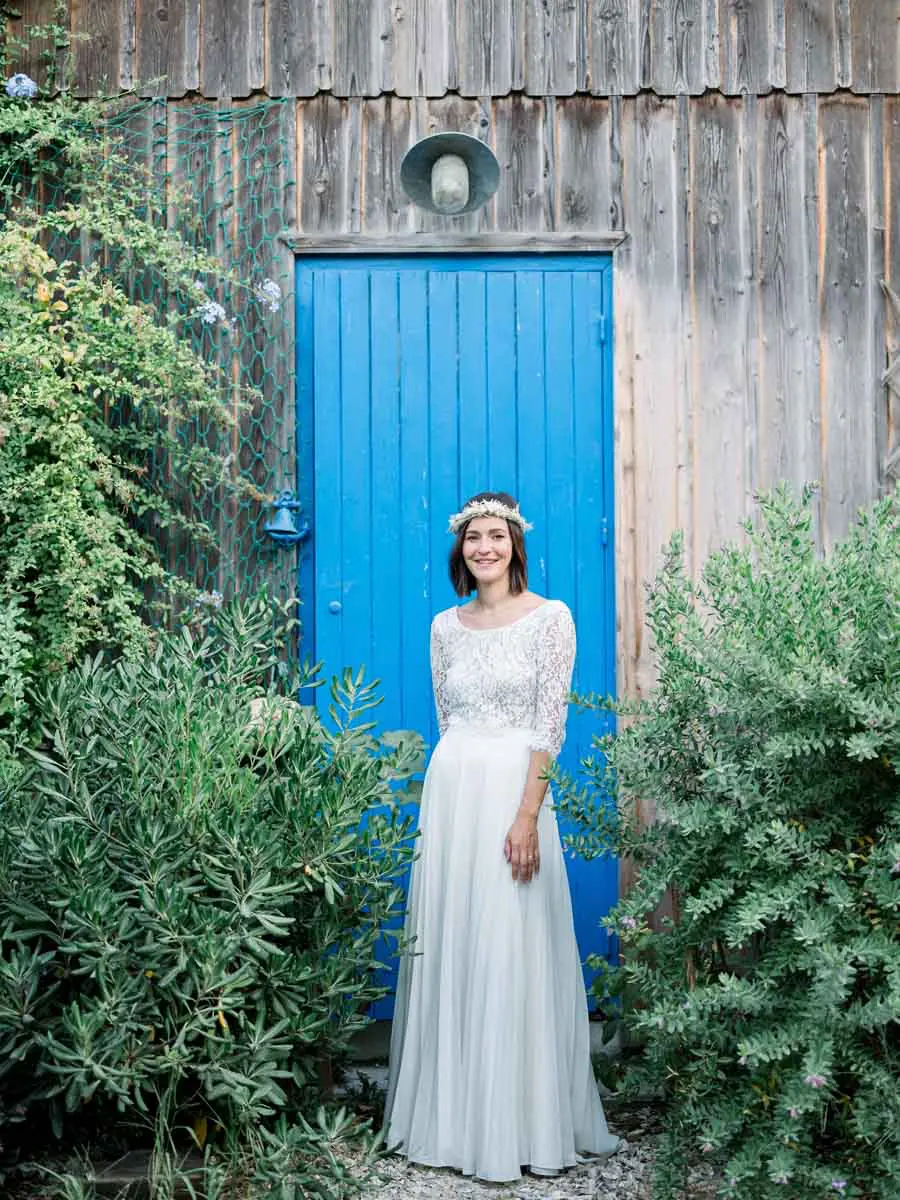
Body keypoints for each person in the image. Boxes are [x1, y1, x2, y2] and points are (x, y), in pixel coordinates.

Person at [384, 491, 620, 1182]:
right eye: (472, 538)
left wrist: (525, 814)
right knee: (455, 946)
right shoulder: (443, 626)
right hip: (454, 792)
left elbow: (550, 726)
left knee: (511, 946)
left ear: (516, 544)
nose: (483, 548)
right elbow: (446, 719)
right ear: (460, 550)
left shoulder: (551, 619)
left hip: (515, 793)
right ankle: (451, 1121)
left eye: (496, 536)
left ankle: (520, 1122)